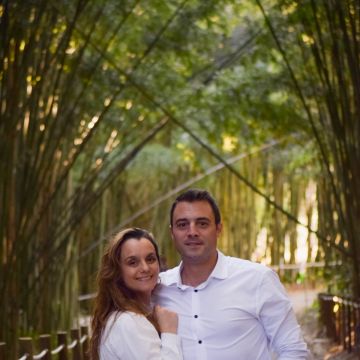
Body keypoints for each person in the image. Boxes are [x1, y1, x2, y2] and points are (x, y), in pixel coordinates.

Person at [153, 189, 310, 359]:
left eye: (202, 223)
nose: (192, 232)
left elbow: (293, 349)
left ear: (219, 229)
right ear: (172, 233)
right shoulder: (157, 288)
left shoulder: (257, 279)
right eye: (183, 224)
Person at [89, 227, 183, 360]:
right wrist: (169, 333)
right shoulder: (128, 322)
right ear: (117, 271)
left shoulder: (133, 314)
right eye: (132, 262)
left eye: (150, 259)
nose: (145, 268)